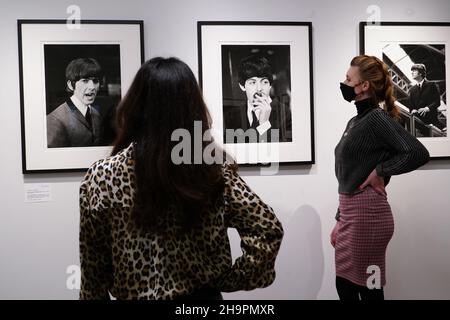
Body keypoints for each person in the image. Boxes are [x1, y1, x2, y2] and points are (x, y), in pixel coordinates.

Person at [79, 57, 284, 300]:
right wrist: (223, 278)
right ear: (193, 107)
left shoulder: (104, 176)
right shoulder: (211, 170)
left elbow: (93, 271)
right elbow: (267, 229)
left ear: (135, 105)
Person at [331, 55, 430, 300]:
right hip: (350, 214)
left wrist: (381, 171)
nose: (343, 83)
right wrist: (339, 219)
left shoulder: (376, 118)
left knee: (368, 288)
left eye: (348, 79)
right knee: (345, 285)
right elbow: (349, 174)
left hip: (369, 216)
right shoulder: (355, 121)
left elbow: (417, 152)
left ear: (364, 86)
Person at [223, 54, 292, 143]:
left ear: (270, 85)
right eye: (252, 82)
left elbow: (284, 153)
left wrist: (264, 124)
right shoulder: (231, 116)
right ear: (242, 86)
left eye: (264, 82)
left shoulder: (284, 113)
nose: (259, 88)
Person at [47, 58, 104, 147]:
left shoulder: (95, 114)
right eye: (85, 81)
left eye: (95, 81)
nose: (92, 87)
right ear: (70, 85)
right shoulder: (55, 120)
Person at [408, 63, 442, 135]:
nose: (412, 72)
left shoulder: (432, 85)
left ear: (420, 73)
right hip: (417, 124)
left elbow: (437, 102)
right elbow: (411, 107)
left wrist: (426, 108)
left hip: (432, 123)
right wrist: (412, 110)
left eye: (414, 70)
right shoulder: (412, 90)